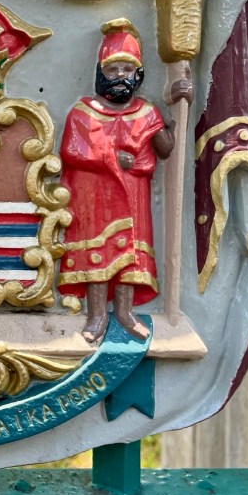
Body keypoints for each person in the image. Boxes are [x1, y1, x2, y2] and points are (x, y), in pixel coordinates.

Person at [58, 19, 192, 343]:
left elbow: (164, 148)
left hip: (132, 196)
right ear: (101, 72)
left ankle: (125, 312)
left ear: (138, 75)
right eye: (114, 68)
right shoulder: (83, 112)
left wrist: (176, 102)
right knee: (98, 256)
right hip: (95, 198)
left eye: (127, 70)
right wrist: (112, 158)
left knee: (130, 254)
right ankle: (97, 316)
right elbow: (72, 151)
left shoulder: (145, 112)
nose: (120, 76)